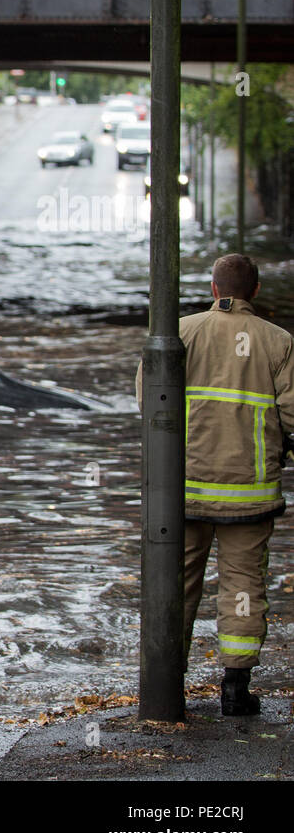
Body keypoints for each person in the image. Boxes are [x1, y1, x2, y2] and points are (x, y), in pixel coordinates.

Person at [137, 253, 294, 715]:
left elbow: (148, 404)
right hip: (251, 494)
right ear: (257, 292)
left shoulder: (179, 334)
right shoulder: (278, 341)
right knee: (244, 585)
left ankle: (167, 686)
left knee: (175, 585)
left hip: (182, 493)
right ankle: (234, 688)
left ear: (213, 289)